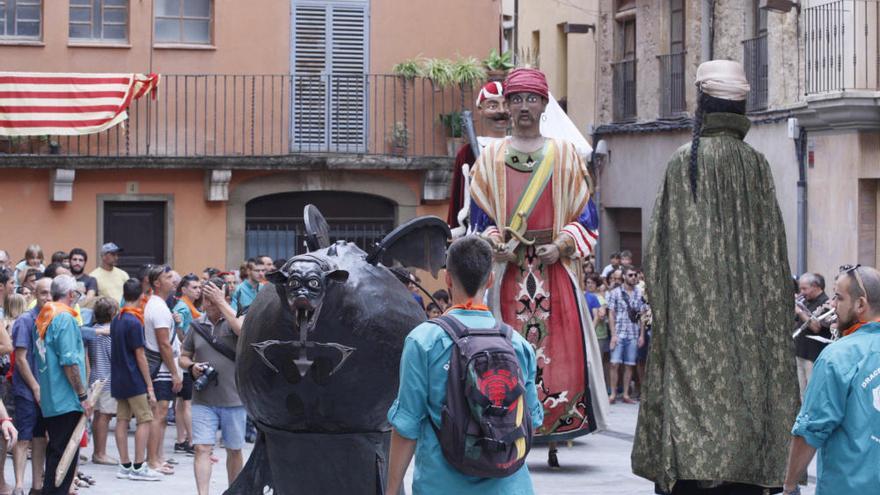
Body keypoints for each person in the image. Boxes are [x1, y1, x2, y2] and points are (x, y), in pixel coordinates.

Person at [632, 60, 799, 494]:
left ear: (700, 105)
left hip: (691, 366)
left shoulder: (683, 163)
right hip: (749, 394)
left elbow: (658, 257)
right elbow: (776, 265)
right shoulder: (757, 166)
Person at [469, 67, 607, 467]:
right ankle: (505, 425)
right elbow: (479, 216)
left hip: (554, 270)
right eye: (516, 99)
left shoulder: (564, 155)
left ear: (545, 104)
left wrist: (563, 243)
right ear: (507, 106)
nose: (524, 107)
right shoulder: (490, 157)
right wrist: (495, 240)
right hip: (507, 272)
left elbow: (588, 215)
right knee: (502, 351)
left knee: (562, 352)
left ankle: (557, 428)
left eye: (531, 99)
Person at [385, 236, 543, 495]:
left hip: (441, 486)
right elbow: (531, 422)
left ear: (447, 278)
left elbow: (406, 426)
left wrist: (391, 490)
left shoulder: (423, 341)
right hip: (511, 487)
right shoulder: (518, 344)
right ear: (490, 279)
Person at [782, 265, 880, 495]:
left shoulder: (838, 356)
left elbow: (810, 430)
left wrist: (789, 487)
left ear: (860, 305)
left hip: (848, 487)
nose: (833, 305)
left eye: (838, 297)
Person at [179, 279, 245, 495]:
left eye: (213, 298)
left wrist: (222, 303)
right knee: (201, 448)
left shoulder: (238, 319)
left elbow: (242, 331)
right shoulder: (197, 325)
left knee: (234, 450)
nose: (208, 303)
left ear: (225, 297)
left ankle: (234, 491)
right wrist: (191, 366)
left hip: (234, 400)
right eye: (206, 299)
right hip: (203, 399)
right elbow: (184, 356)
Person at [33, 274, 89, 495]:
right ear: (71, 294)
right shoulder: (64, 318)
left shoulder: (45, 315)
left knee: (56, 456)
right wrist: (83, 396)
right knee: (63, 462)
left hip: (51, 396)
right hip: (66, 399)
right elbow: (69, 362)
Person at [111, 279, 160, 482]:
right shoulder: (134, 321)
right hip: (134, 378)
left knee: (122, 420)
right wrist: (149, 385)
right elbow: (140, 355)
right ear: (141, 296)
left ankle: (124, 464)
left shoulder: (117, 318)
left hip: (119, 377)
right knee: (145, 419)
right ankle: (139, 466)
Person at [447, 81, 510, 230]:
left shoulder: (523, 147)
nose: (501, 111)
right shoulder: (467, 153)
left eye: (506, 105)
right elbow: (459, 198)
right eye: (493, 106)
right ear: (480, 110)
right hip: (478, 231)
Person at [11, 277, 50, 495]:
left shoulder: (53, 319)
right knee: (23, 437)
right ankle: (18, 485)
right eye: (43, 293)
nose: (48, 298)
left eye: (51, 293)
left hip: (47, 390)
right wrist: (35, 387)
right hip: (27, 389)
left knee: (40, 438)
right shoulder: (26, 320)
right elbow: (20, 358)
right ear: (35, 294)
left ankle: (36, 486)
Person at [143, 265, 181, 476]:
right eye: (168, 277)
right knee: (159, 414)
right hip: (162, 368)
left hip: (164, 367)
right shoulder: (157, 307)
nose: (173, 280)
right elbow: (164, 344)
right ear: (157, 283)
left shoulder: (160, 305)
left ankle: (156, 458)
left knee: (161, 415)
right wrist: (175, 372)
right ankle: (152, 461)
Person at [606, 266, 646, 404]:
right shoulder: (615, 293)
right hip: (619, 333)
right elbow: (611, 313)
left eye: (635, 275)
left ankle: (626, 395)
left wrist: (641, 335)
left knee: (629, 365)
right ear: (624, 277)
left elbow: (642, 315)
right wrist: (613, 335)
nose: (633, 277)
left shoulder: (639, 293)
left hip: (633, 333)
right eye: (630, 275)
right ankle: (613, 394)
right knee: (614, 364)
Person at [172, 274, 202, 456]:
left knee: (181, 402)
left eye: (199, 287)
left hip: (181, 358)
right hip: (186, 357)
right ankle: (192, 441)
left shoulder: (185, 306)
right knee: (188, 402)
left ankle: (181, 439)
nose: (198, 291)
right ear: (183, 290)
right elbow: (181, 334)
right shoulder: (183, 307)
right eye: (194, 287)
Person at [87, 297, 118, 466]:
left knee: (97, 415)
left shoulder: (93, 330)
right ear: (112, 313)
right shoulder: (110, 334)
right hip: (107, 378)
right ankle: (100, 452)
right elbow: (114, 356)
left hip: (94, 377)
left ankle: (96, 451)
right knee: (104, 417)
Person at [793, 272, 833, 400]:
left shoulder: (825, 303)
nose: (802, 292)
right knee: (802, 393)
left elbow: (816, 327)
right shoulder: (807, 301)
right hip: (801, 352)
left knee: (811, 393)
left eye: (804, 289)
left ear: (816, 286)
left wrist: (800, 312)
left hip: (813, 356)